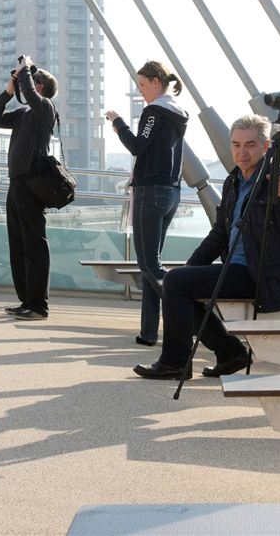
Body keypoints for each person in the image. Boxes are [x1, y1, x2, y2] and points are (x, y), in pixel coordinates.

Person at [133, 113, 280, 379]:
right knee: (175, 285)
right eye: (236, 145)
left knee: (175, 283)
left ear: (265, 147)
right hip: (237, 268)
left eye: (250, 145)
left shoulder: (277, 179)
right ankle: (230, 353)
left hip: (264, 274)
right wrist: (190, 267)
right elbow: (219, 234)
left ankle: (177, 363)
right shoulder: (233, 181)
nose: (242, 152)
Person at [105, 60, 189, 346]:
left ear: (156, 81)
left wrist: (118, 123)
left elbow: (138, 146)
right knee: (150, 265)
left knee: (150, 266)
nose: (141, 91)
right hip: (171, 192)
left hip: (150, 191)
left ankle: (193, 315)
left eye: (143, 85)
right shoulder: (179, 113)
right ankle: (149, 332)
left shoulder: (154, 111)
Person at [0, 56, 58, 320]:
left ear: (40, 87)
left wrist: (26, 68)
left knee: (34, 244)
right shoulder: (22, 115)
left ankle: (39, 305)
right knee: (18, 244)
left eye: (32, 81)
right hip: (16, 184)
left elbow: (27, 90)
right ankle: (26, 300)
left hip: (32, 184)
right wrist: (7, 91)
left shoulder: (45, 108)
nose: (25, 86)